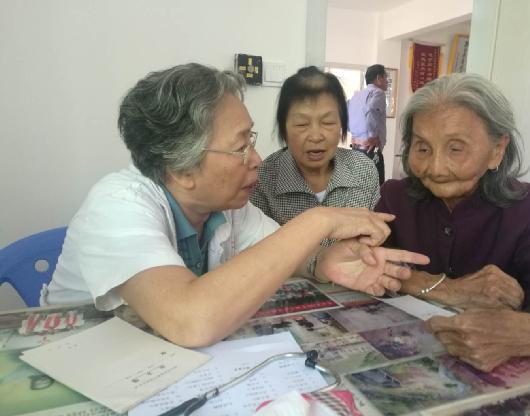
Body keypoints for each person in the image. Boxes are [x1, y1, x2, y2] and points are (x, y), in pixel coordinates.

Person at [42, 63, 429, 348]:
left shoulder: (225, 206)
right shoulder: (117, 204)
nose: (256, 159)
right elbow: (191, 320)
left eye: (253, 140)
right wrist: (319, 221)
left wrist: (322, 262)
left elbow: (283, 253)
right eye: (240, 146)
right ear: (181, 167)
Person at [375, 73, 530, 372]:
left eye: (456, 148)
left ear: (497, 150)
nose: (436, 168)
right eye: (423, 148)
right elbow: (364, 264)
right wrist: (446, 289)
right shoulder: (395, 198)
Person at [250, 66, 379, 228]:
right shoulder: (263, 180)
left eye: (328, 123)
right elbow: (260, 248)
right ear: (284, 129)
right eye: (302, 124)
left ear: (341, 124)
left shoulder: (364, 170)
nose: (316, 136)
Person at [348, 64, 388, 185]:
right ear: (378, 78)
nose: (387, 81)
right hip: (370, 151)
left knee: (358, 190)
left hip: (355, 150)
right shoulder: (378, 93)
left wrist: (355, 134)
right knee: (376, 191)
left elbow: (346, 115)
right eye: (385, 77)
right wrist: (372, 136)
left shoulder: (356, 96)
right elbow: (371, 110)